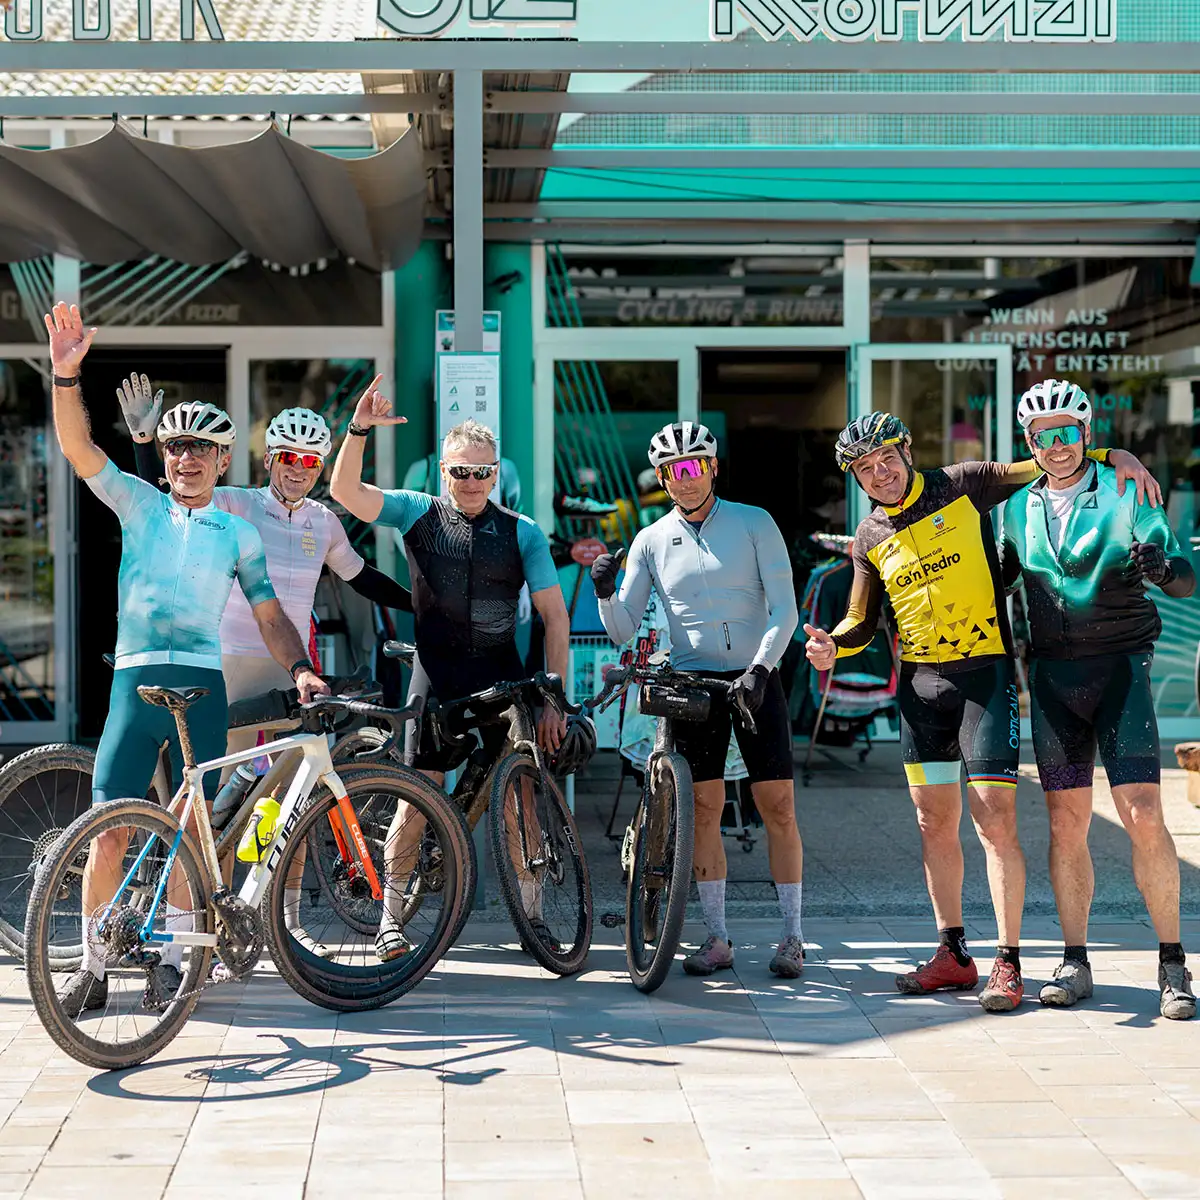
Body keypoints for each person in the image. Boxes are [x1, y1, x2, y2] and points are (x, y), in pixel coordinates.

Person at [804, 410, 1159, 1012]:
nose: (880, 473)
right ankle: (953, 954)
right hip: (919, 689)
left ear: (907, 449)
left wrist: (1113, 456)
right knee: (932, 823)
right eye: (865, 469)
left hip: (983, 680)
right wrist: (832, 644)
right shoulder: (868, 536)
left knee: (994, 821)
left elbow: (1044, 462)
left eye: (886, 458)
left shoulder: (962, 484)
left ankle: (1008, 960)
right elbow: (862, 620)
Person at [43, 302, 328, 1017]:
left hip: (202, 688)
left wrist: (299, 669)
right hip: (135, 684)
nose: (188, 457)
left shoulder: (238, 534)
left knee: (192, 836)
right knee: (106, 831)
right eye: (176, 447)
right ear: (164, 457)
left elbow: (271, 616)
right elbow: (79, 449)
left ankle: (171, 962)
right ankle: (93, 964)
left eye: (203, 448)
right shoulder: (138, 505)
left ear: (224, 460)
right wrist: (65, 375)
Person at [119, 372, 413, 956]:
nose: (297, 468)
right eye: (287, 456)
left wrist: (424, 607)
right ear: (269, 458)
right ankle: (191, 920)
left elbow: (362, 577)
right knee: (211, 798)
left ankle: (285, 918)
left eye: (309, 459)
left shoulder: (325, 522)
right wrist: (144, 440)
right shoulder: (235, 502)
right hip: (220, 664)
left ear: (319, 465)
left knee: (287, 797)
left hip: (286, 669)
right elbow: (166, 495)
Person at [331, 382, 571, 961]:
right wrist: (358, 429)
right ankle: (391, 919)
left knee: (521, 800)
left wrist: (556, 699)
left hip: (502, 678)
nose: (471, 482)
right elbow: (343, 491)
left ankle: (533, 917)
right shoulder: (418, 511)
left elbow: (555, 619)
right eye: (461, 472)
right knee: (418, 796)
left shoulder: (523, 531)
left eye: (481, 472)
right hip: (435, 676)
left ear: (496, 474)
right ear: (444, 471)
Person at [1001, 379, 1196, 1019]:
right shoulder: (1013, 510)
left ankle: (1172, 963)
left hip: (1121, 672)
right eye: (1042, 435)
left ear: (1087, 433)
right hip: (1056, 680)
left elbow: (1185, 578)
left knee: (1142, 814)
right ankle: (1074, 959)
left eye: (1067, 432)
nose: (1055, 446)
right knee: (1065, 825)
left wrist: (1163, 570)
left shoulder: (1126, 490)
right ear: (1028, 443)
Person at [590, 421, 805, 979]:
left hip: (755, 678)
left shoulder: (754, 522)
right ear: (662, 479)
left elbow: (786, 609)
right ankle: (717, 937)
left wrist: (762, 667)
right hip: (693, 683)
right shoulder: (651, 539)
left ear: (712, 468)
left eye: (693, 467)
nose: (684, 479)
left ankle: (793, 937)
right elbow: (622, 629)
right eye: (672, 471)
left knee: (777, 807)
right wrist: (603, 591)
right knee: (704, 811)